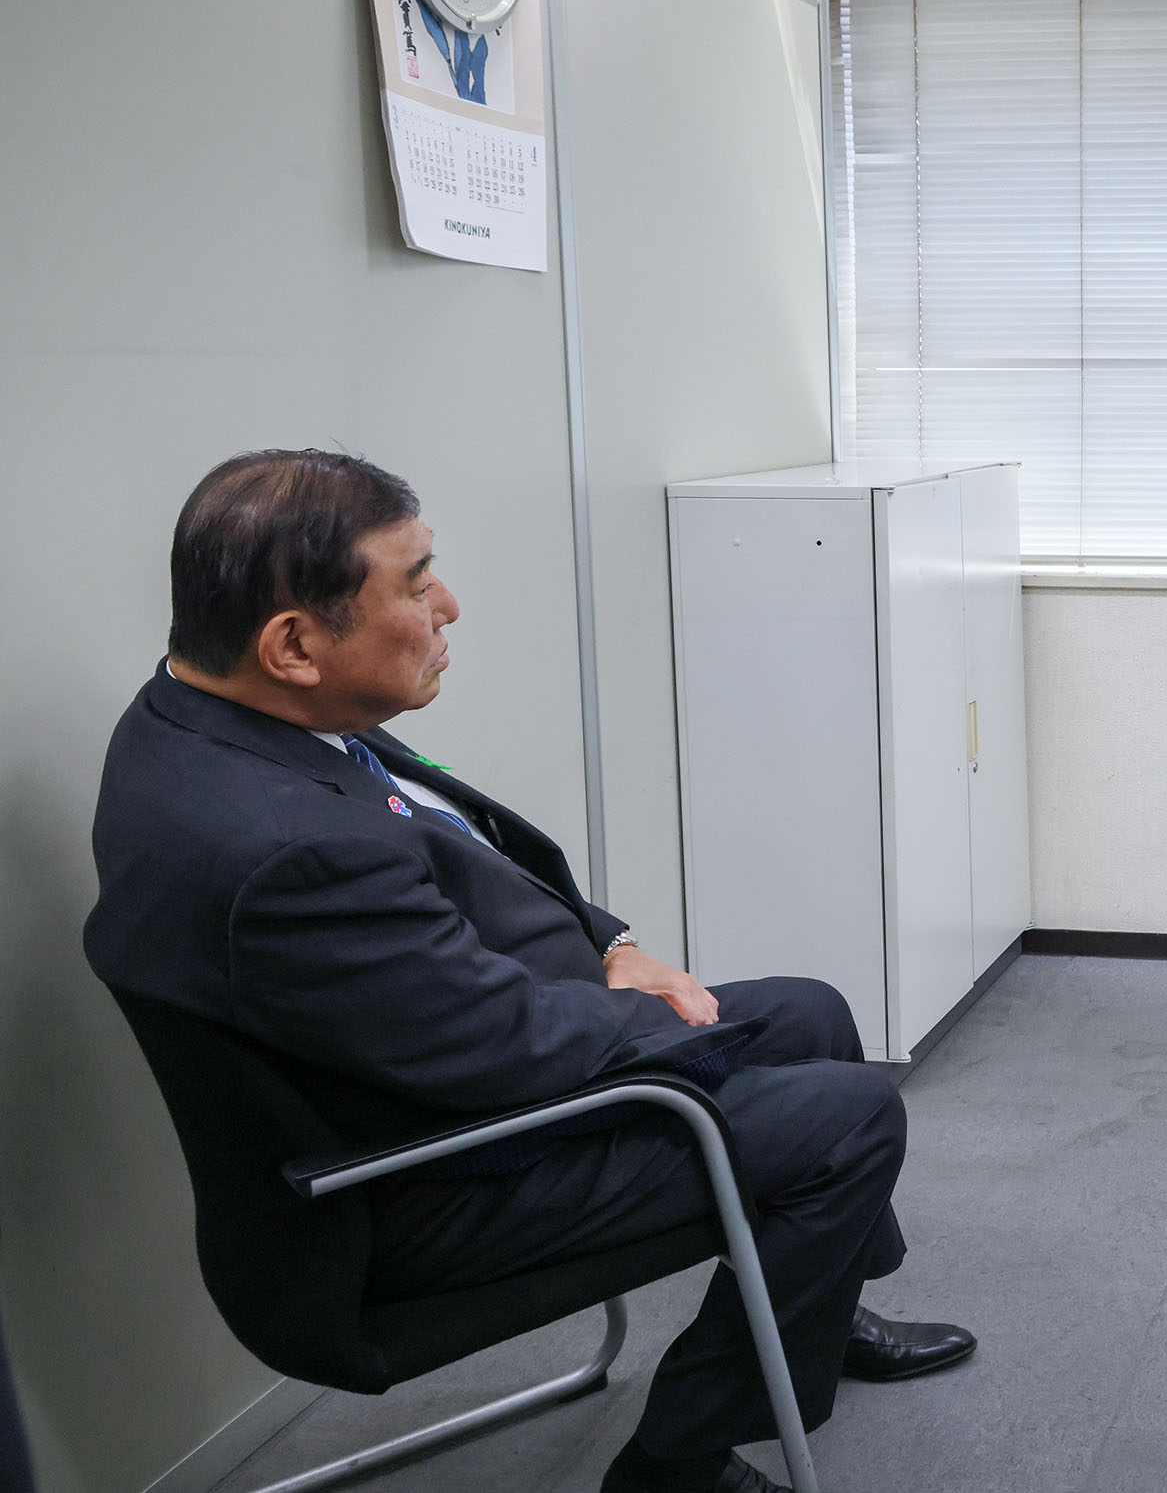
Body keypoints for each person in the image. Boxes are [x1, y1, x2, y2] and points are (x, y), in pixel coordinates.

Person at [85, 450, 976, 1493]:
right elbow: (504, 1054)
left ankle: (809, 1315)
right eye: (415, 583)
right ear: (292, 643)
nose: (447, 604)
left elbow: (459, 850)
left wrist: (609, 948)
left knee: (811, 1014)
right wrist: (690, 1033)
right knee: (848, 1119)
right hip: (419, 1186)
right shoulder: (281, 850)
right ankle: (675, 1465)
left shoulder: (216, 721)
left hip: (437, 1068)